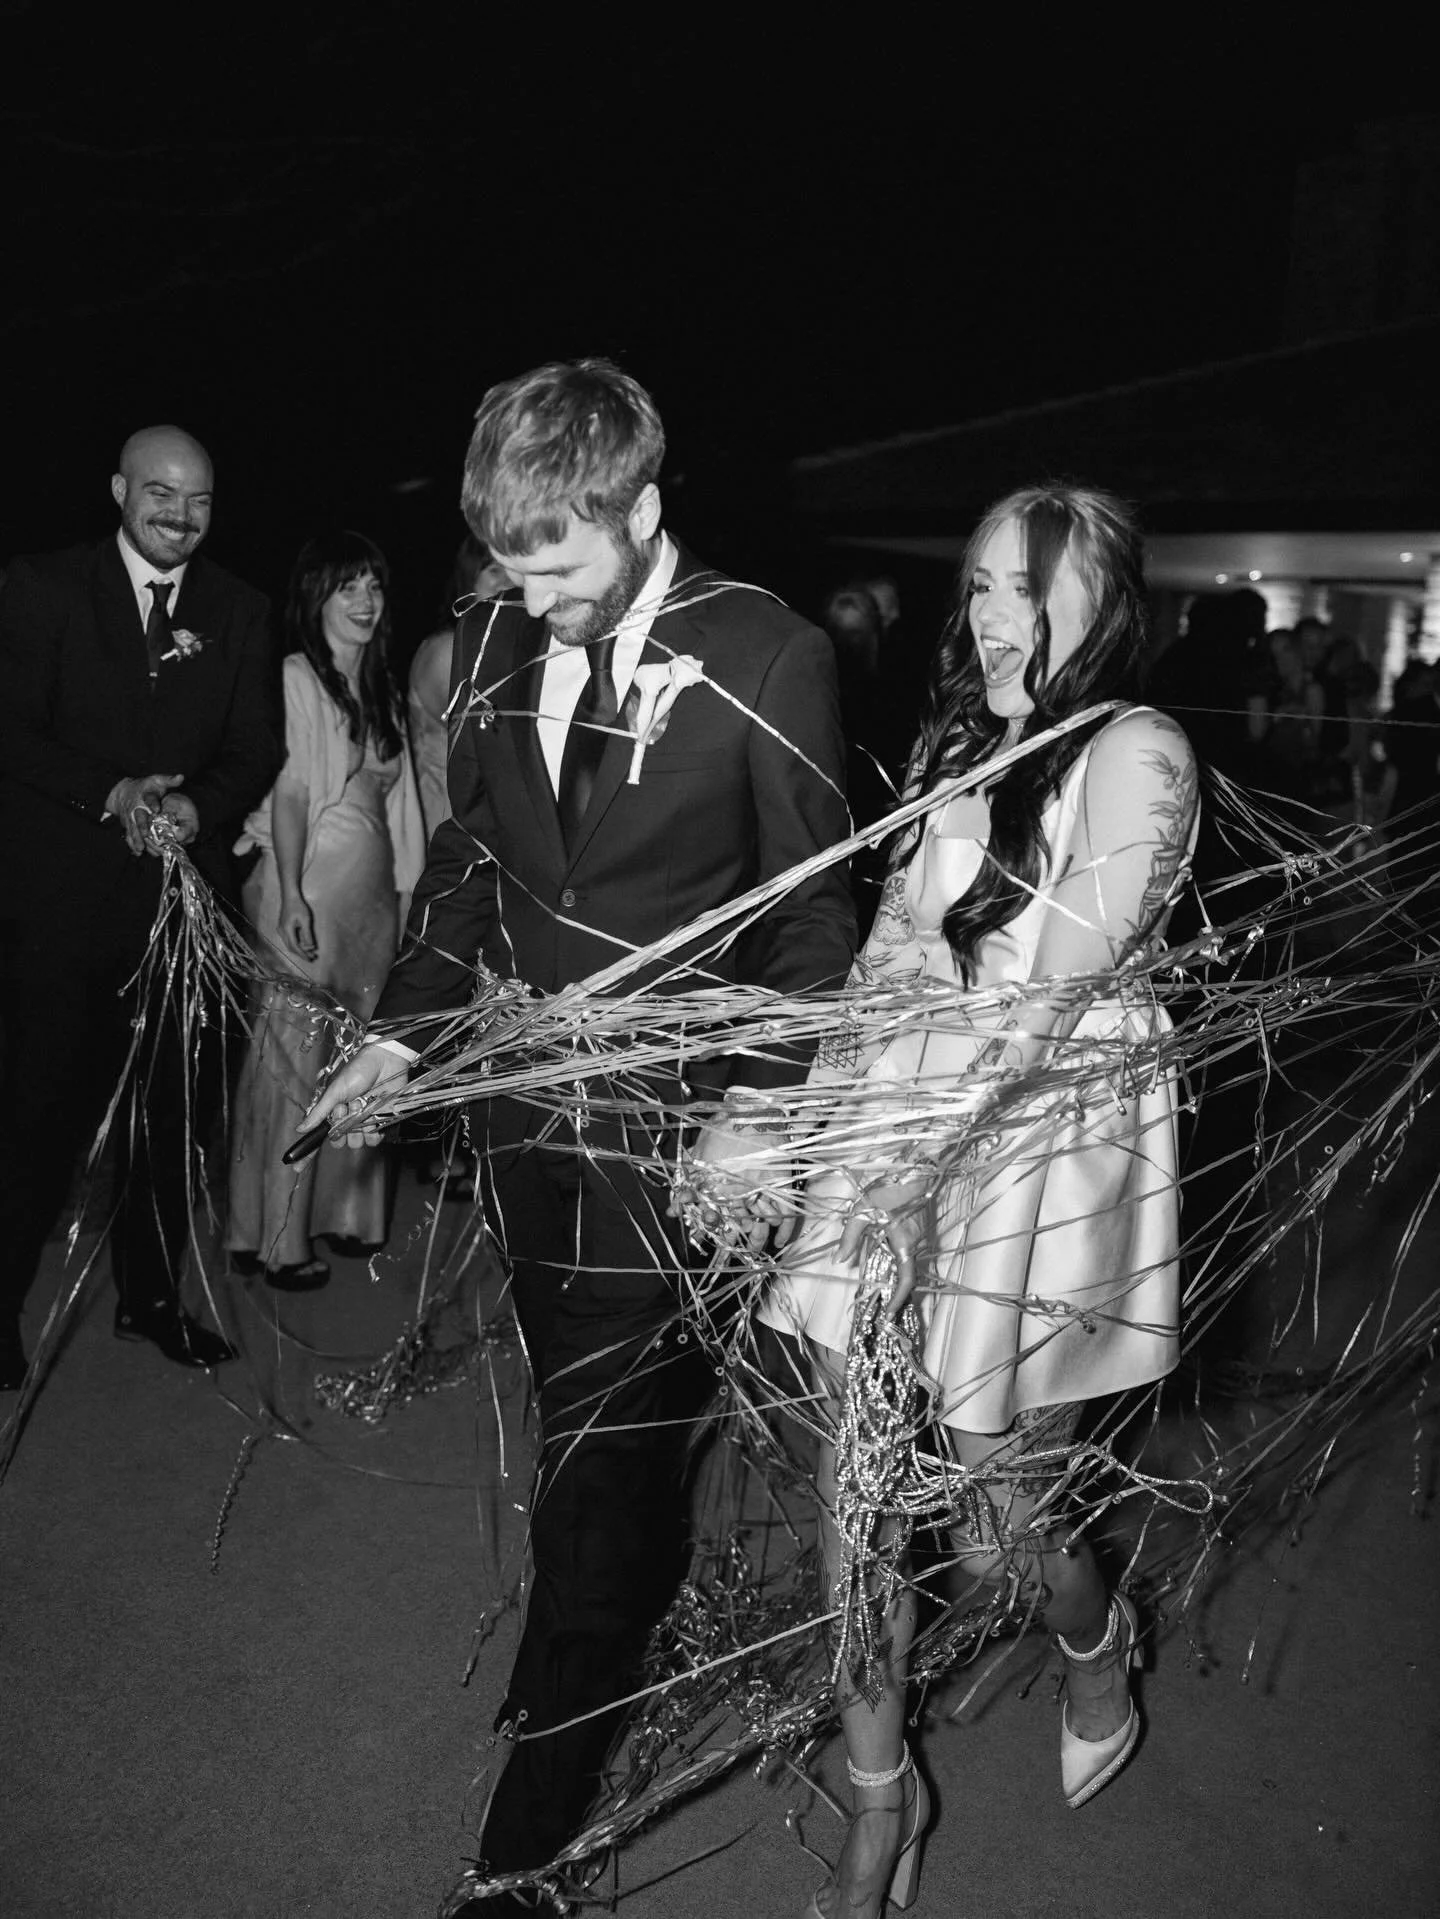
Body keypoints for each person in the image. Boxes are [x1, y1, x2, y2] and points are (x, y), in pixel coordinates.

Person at [306, 359, 855, 1909]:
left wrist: (761, 1106)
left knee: (610, 1465)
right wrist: (405, 1033)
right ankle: (588, 1643)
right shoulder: (484, 637)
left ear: (644, 510)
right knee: (581, 1432)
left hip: (685, 1148)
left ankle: (526, 1837)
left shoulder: (766, 649)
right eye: (509, 566)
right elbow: (471, 862)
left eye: (558, 566)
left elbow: (810, 912)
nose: (528, 599)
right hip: (530, 1130)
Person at [763, 485, 1198, 1919]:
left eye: (1027, 587)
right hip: (902, 1124)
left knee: (996, 1509)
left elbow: (1055, 987)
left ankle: (1094, 1636)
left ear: (1103, 601)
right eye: (982, 587)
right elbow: (891, 949)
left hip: (1032, 1149)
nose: (994, 614)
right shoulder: (956, 740)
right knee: (858, 1486)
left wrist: (924, 1144)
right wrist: (804, 1116)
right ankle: (883, 1799)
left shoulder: (1140, 752)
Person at [0, 426, 281, 1390]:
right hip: (61, 915)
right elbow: (15, 733)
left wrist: (198, 805)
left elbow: (257, 749)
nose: (180, 515)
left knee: (172, 1118)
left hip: (183, 915)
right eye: (161, 492)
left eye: (199, 500)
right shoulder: (40, 588)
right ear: (119, 488)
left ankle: (151, 1300)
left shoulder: (240, 610)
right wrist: (112, 792)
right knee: (35, 1115)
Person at [225, 533, 425, 1288]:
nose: (366, 600)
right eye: (349, 586)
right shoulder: (295, 677)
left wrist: (408, 900)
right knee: (291, 1058)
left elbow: (401, 807)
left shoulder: (380, 683)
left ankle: (347, 1212)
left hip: (371, 900)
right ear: (316, 596)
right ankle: (272, 1234)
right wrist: (294, 889)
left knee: (362, 1054)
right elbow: (292, 793)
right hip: (304, 882)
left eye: (374, 584)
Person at [408, 534, 512, 839]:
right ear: (468, 579)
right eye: (494, 570)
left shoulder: (500, 648)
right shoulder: (448, 650)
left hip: (489, 828)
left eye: (513, 568)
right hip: (451, 830)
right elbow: (490, 744)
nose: (508, 581)